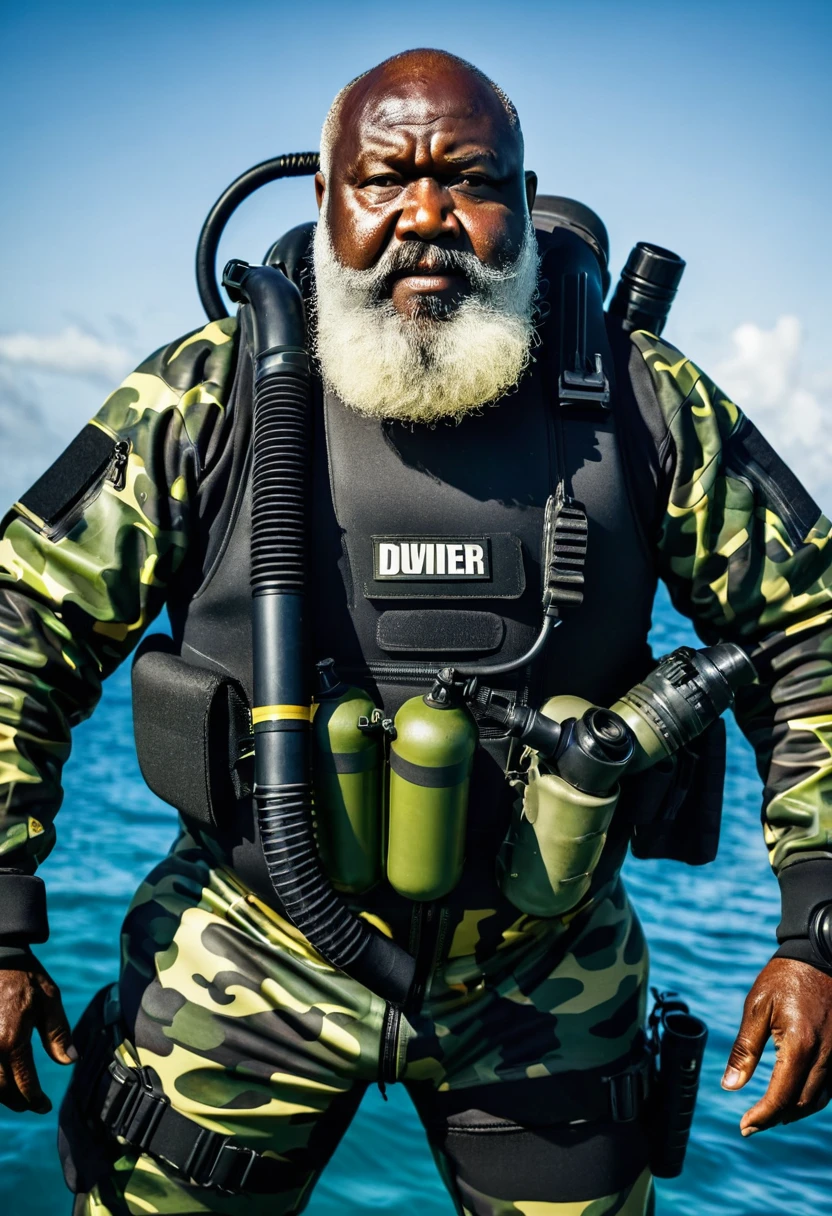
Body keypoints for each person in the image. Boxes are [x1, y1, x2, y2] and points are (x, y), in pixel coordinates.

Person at [1, 46, 831, 1216]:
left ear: (529, 209)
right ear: (326, 202)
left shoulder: (643, 401)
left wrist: (815, 930)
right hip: (251, 948)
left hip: (544, 966)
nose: (425, 216)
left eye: (471, 180)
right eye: (383, 181)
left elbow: (809, 629)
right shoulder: (212, 395)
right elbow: (21, 625)